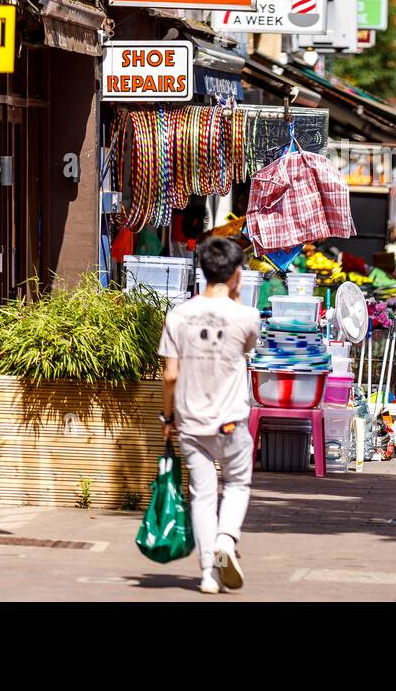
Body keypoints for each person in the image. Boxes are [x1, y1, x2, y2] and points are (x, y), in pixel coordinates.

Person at [159, 236, 260, 594]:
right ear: (235, 274)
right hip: (230, 418)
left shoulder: (178, 315)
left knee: (202, 495)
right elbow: (244, 352)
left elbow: (170, 375)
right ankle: (225, 541)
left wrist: (167, 419)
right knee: (236, 484)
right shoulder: (247, 316)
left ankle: (207, 573)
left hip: (189, 420)